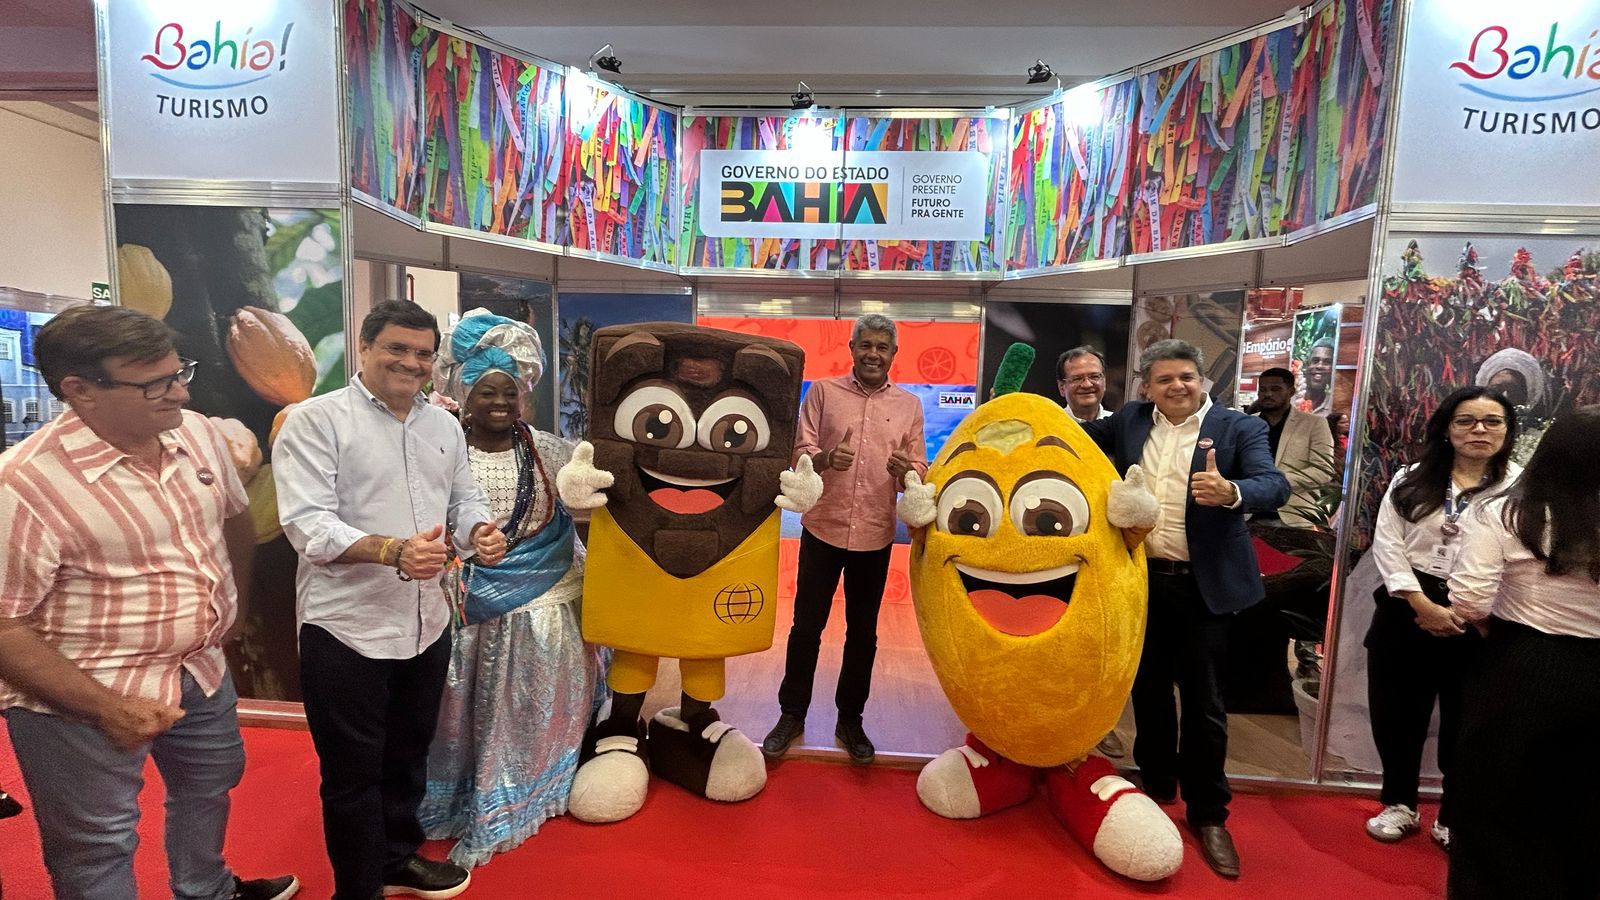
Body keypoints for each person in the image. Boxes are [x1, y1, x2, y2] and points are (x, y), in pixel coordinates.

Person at [0, 305, 297, 900]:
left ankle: (206, 888)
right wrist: (107, 707)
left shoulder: (196, 434)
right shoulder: (24, 485)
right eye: (154, 384)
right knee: (97, 842)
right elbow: (5, 627)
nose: (180, 392)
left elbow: (235, 517)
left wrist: (233, 607)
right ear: (79, 390)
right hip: (85, 693)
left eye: (180, 372)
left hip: (200, 668)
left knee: (211, 783)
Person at [274, 300, 507, 900]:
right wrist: (392, 551)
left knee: (408, 754)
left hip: (426, 622)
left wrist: (478, 532)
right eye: (397, 349)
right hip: (345, 627)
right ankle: (357, 890)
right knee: (352, 772)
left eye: (423, 353)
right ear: (365, 347)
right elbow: (307, 526)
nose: (411, 362)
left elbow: (463, 501)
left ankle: (397, 859)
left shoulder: (443, 426)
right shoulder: (316, 421)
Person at [1080, 338, 1290, 879]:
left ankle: (1208, 813)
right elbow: (1073, 437)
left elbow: (1274, 485)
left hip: (1205, 588)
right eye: (1165, 379)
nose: (1177, 386)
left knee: (1204, 703)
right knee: (1148, 693)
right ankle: (1156, 786)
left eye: (1186, 377)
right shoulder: (1130, 420)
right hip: (1143, 582)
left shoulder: (1238, 428)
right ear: (1147, 387)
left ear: (1203, 381)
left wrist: (1232, 491)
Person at [417, 310, 596, 867]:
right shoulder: (437, 450)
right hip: (465, 609)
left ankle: (528, 792)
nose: (500, 401)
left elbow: (588, 500)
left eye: (510, 391)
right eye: (486, 391)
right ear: (462, 395)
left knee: (531, 714)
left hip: (546, 605)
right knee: (455, 717)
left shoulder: (551, 451)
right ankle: (455, 799)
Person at [1447, 406, 1600, 899]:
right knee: (1585, 807)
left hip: (1524, 666)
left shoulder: (1505, 513)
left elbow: (1469, 602)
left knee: (1497, 802)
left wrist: (1496, 628)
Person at [762, 314, 926, 765]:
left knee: (863, 635)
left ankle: (850, 720)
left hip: (875, 535)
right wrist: (825, 459)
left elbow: (918, 469)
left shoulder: (910, 405)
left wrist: (908, 471)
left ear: (894, 354)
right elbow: (800, 451)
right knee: (805, 629)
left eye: (882, 347)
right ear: (852, 348)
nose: (873, 354)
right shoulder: (822, 392)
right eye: (865, 345)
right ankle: (791, 715)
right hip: (823, 528)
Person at [1363, 387, 1519, 852]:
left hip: (1487, 615)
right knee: (1397, 714)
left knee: (1468, 722)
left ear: (1507, 431)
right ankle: (1399, 803)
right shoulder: (1411, 479)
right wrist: (1422, 605)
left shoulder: (1521, 487)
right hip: (1409, 607)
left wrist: (1474, 613)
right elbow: (1388, 544)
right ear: (1447, 429)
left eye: (1492, 421)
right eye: (1466, 421)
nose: (1479, 430)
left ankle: (1453, 815)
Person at [1252, 367, 1335, 528]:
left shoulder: (1314, 424)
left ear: (1291, 391)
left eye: (1275, 389)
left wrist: (1277, 481)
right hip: (1249, 514)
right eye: (1263, 389)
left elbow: (1323, 470)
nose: (1268, 394)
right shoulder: (1247, 423)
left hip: (1293, 517)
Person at [1056, 346, 1114, 423]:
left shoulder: (1121, 425)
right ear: (1061, 387)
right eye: (1077, 378)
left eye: (1094, 376)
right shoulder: (1049, 425)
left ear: (1104, 382)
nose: (1087, 385)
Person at [1292, 338, 1335, 416]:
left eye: (1327, 362)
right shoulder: (1290, 397)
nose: (1319, 366)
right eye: (1315, 361)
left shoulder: (1334, 405)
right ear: (1307, 365)